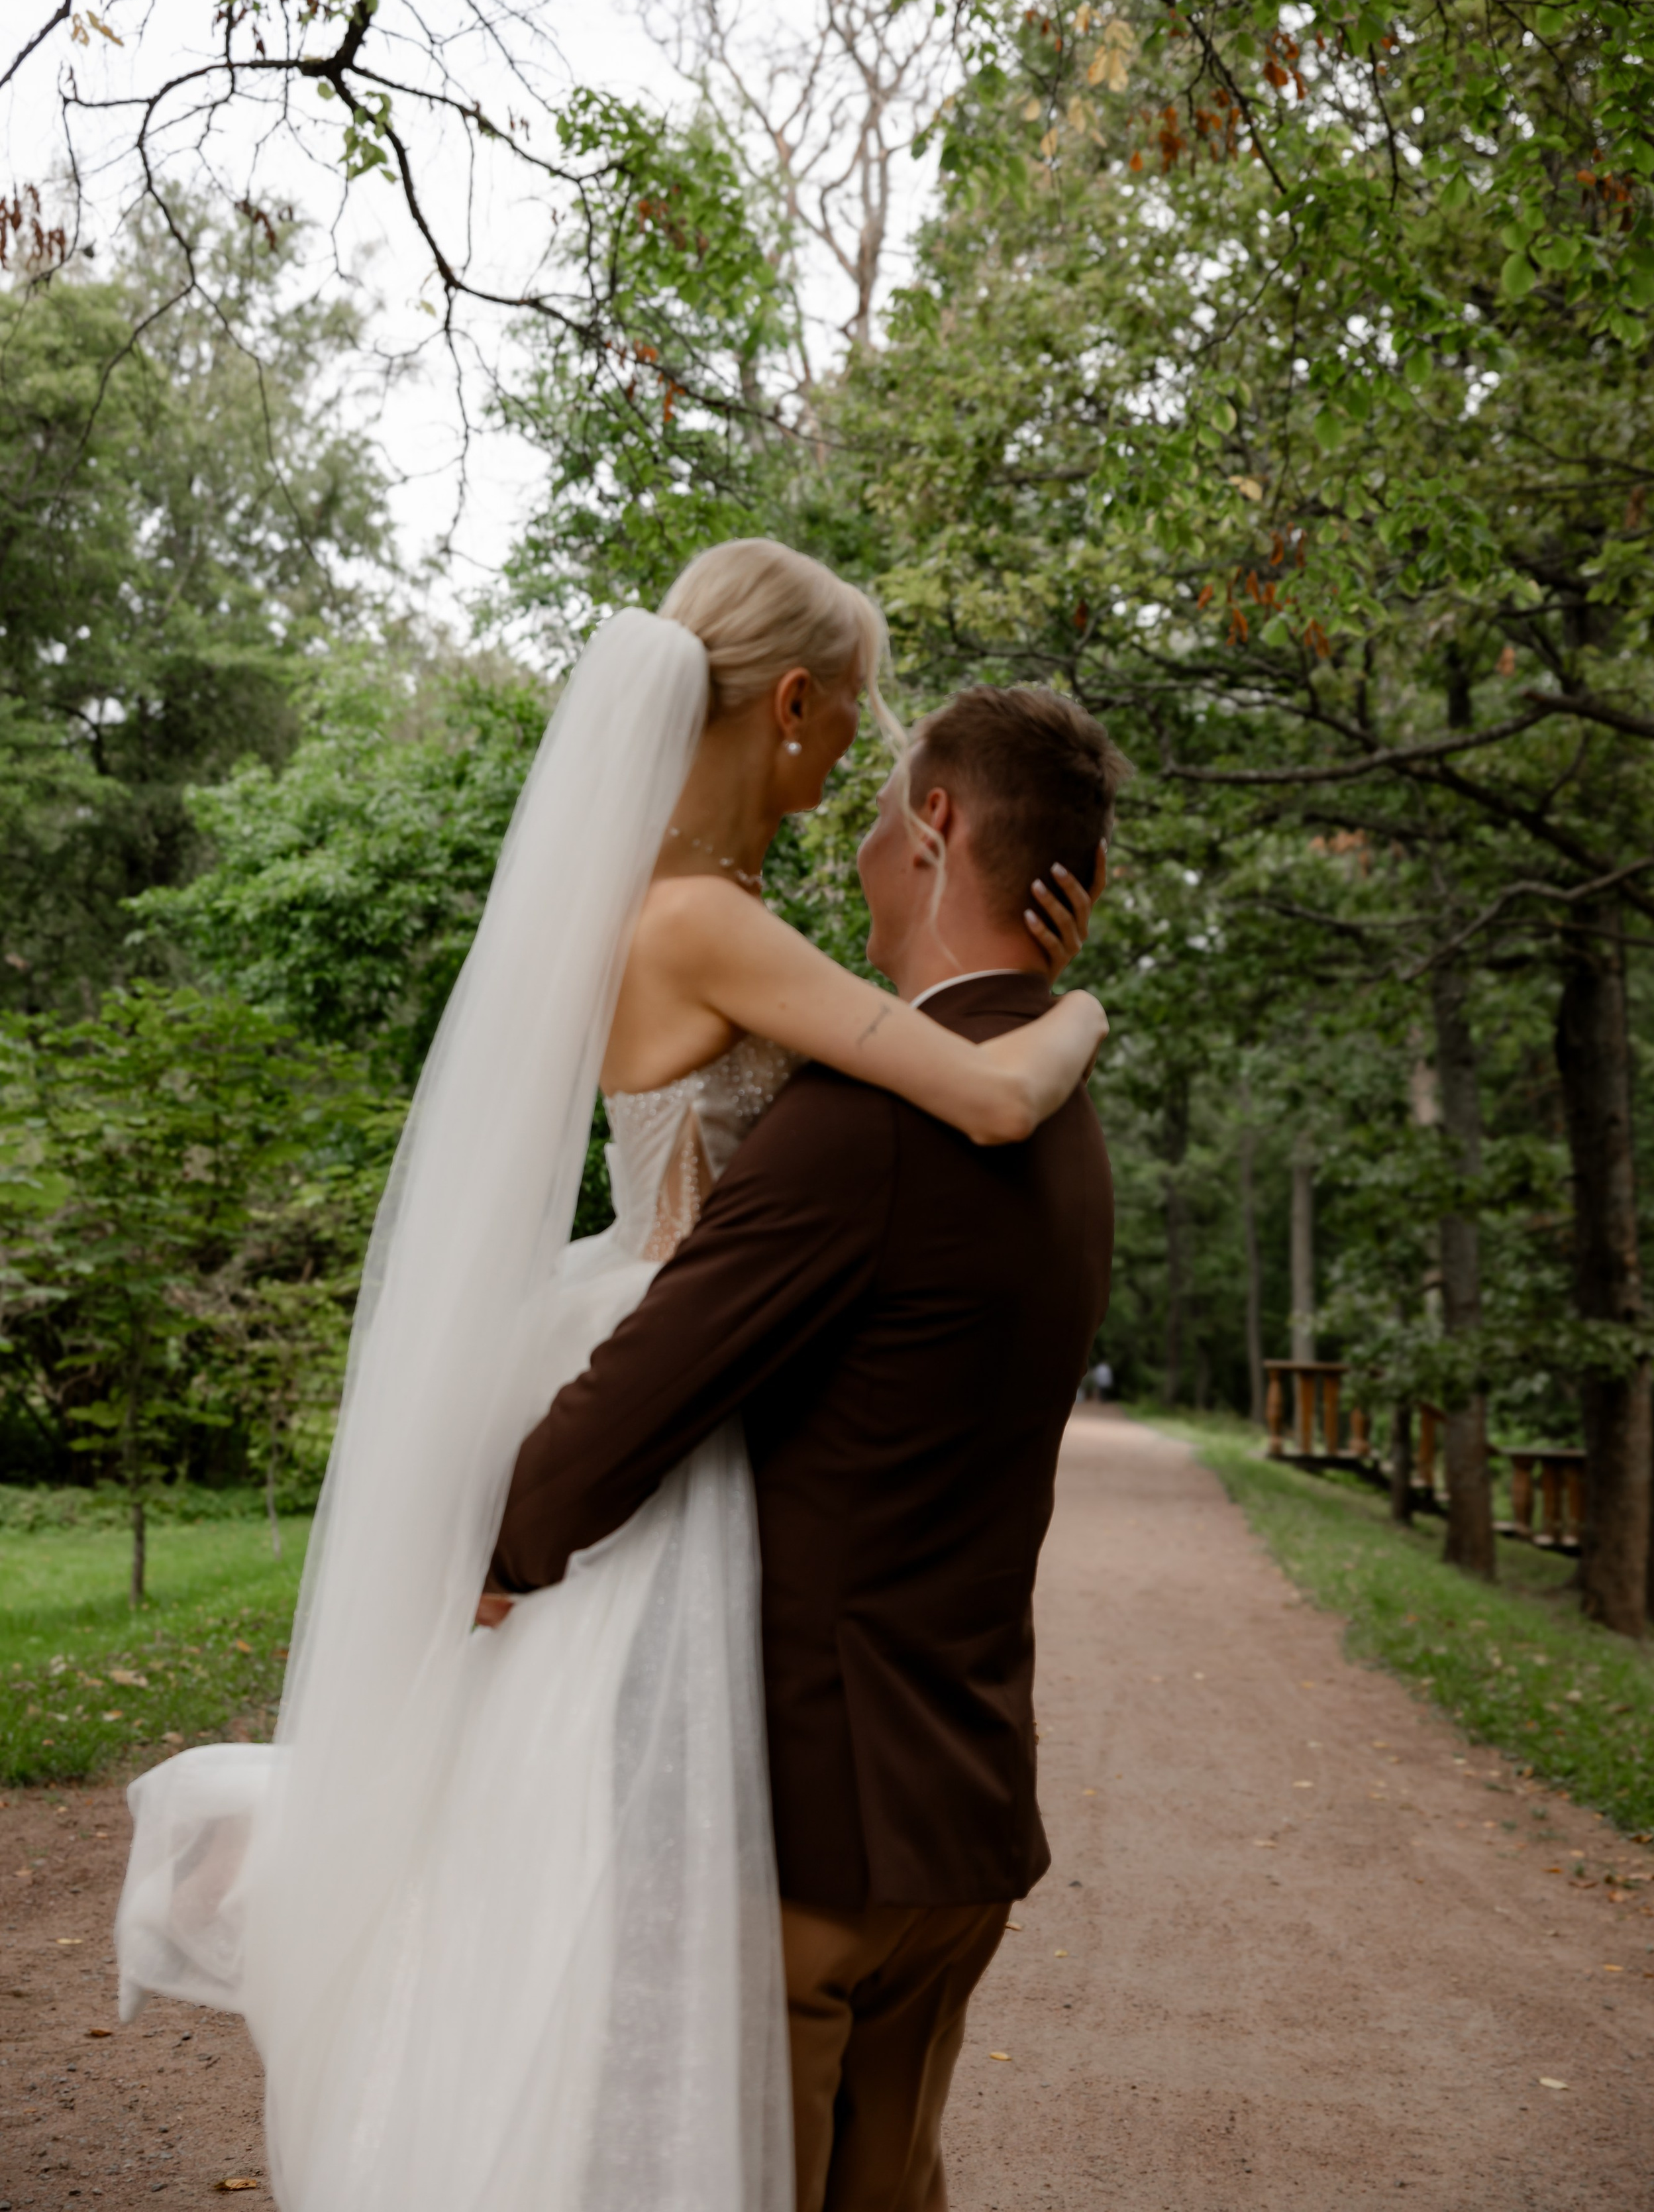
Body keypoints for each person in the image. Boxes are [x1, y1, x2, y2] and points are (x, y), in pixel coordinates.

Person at [113, 541, 1106, 2212]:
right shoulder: (712, 929)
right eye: (847, 719)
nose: (853, 769)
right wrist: (1067, 1018)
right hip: (691, 1378)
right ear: (787, 703)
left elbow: (906, 1087)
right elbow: (986, 1096)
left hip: (684, 1362)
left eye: (884, 759)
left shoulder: (694, 915)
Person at [491, 678, 1125, 2212]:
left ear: (935, 824)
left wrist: (494, 1552)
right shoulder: (1062, 1111)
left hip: (809, 1834)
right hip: (958, 1818)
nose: (850, 842)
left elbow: (632, 1403)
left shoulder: (859, 1126)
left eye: (879, 801)